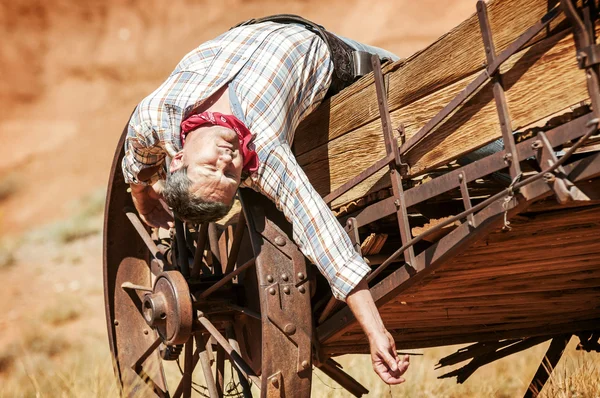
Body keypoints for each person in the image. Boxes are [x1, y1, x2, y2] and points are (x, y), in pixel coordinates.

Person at [122, 17, 410, 385]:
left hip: (259, 25)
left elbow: (136, 153)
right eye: (230, 176)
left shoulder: (156, 113)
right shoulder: (266, 155)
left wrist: (142, 194)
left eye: (211, 166)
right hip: (342, 59)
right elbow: (322, 236)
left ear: (178, 158)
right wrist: (375, 331)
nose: (227, 161)